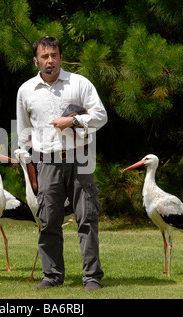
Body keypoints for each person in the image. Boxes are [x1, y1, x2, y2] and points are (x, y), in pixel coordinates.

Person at [16, 36, 108, 291]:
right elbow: (24, 133)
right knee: (48, 221)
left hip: (80, 158)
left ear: (60, 57)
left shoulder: (79, 83)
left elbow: (100, 116)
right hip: (46, 163)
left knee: (87, 218)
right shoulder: (26, 91)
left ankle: (92, 278)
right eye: (44, 56)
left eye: (54, 55)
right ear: (36, 61)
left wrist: (74, 122)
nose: (50, 60)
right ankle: (52, 276)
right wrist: (30, 166)